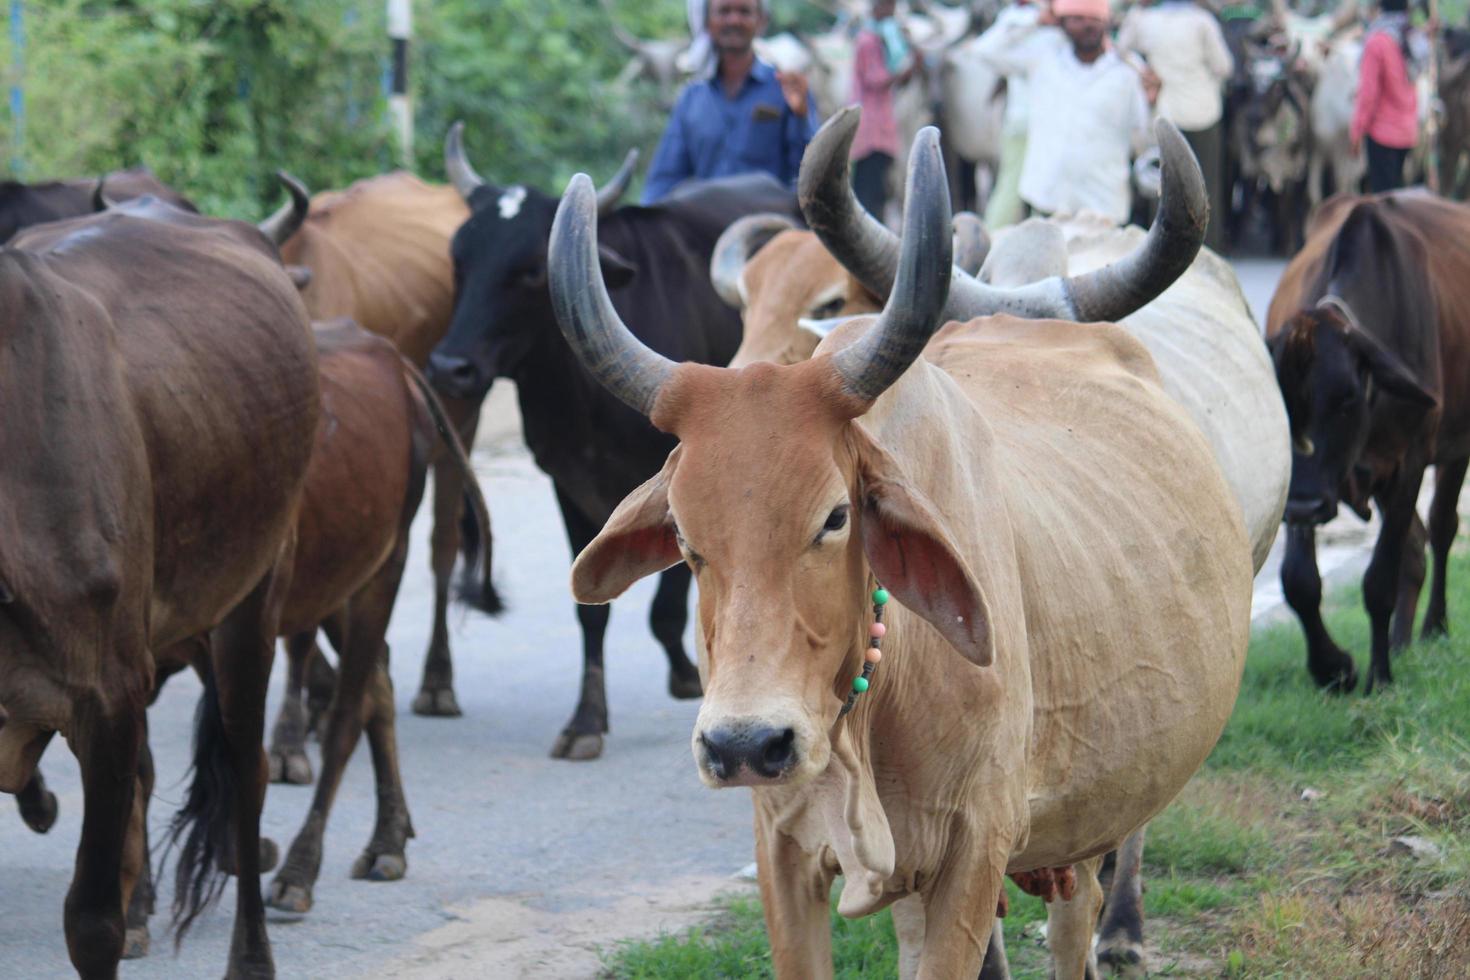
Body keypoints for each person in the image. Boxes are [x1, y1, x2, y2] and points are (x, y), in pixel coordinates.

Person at [975, 0, 1153, 225]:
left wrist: (1155, 103)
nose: (1088, 25)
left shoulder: (1129, 71)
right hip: (1047, 202)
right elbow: (984, 51)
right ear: (1061, 23)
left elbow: (1145, 137)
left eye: (1094, 18)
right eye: (1077, 18)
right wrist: (1034, 20)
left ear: (1106, 22)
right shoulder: (1042, 57)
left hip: (1103, 208)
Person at [642, 0, 819, 204]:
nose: (734, 20)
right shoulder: (691, 99)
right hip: (704, 227)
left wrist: (802, 117)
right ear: (707, 21)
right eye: (724, 11)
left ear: (761, 21)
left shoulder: (786, 90)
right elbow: (665, 178)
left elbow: (809, 174)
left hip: (769, 226)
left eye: (744, 11)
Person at [1118, 0, 1233, 250]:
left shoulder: (1144, 20)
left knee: (1161, 186)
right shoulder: (1202, 21)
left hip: (1165, 114)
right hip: (1202, 113)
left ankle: (1157, 252)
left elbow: (1121, 51)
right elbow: (1224, 67)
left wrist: (1144, 70)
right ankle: (1205, 251)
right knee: (1205, 188)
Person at [983, 0, 1062, 230]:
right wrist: (1035, 22)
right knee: (1010, 192)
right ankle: (987, 248)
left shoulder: (1067, 26)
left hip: (1057, 129)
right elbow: (984, 50)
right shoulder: (1018, 18)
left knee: (1048, 196)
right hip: (1023, 125)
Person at [849, 0, 915, 219]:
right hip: (872, 131)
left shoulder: (878, 39)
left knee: (876, 190)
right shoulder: (868, 41)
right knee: (870, 193)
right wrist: (907, 70)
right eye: (888, 6)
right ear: (877, 8)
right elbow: (876, 78)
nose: (891, 12)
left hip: (879, 128)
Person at [1352, 0, 1426, 193]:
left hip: (1382, 135)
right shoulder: (1412, 37)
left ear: (1379, 7)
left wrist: (1357, 132)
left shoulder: (1377, 41)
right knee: (1397, 194)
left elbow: (1368, 95)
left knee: (1383, 200)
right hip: (1407, 133)